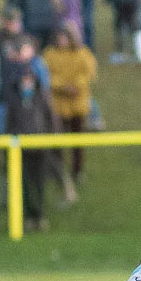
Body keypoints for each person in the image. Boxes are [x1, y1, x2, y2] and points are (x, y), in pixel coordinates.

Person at [2, 66, 59, 230]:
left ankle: (40, 216)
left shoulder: (42, 97)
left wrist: (52, 140)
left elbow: (50, 119)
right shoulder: (15, 100)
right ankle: (28, 217)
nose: (27, 82)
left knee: (40, 184)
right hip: (21, 150)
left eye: (29, 79)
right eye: (24, 79)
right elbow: (10, 123)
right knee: (25, 186)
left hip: (40, 149)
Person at [45, 23, 95, 188]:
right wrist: (62, 87)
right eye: (59, 38)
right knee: (56, 142)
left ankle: (77, 171)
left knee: (77, 143)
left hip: (77, 105)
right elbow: (46, 76)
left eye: (65, 38)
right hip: (58, 107)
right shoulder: (50, 55)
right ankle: (57, 172)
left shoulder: (82, 54)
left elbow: (88, 73)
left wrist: (75, 86)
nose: (62, 41)